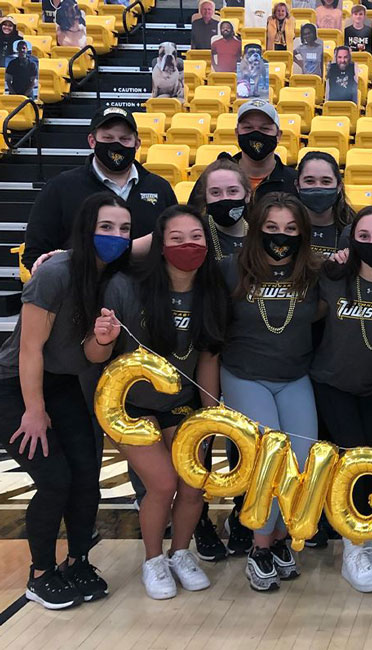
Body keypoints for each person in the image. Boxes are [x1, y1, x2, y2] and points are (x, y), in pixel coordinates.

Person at [87, 205, 228, 600]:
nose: (188, 245)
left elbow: (207, 360)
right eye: (177, 238)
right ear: (160, 246)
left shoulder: (211, 291)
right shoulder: (126, 288)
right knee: (163, 484)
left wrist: (210, 414)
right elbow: (96, 357)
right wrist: (101, 338)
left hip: (180, 403)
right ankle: (153, 560)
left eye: (196, 237)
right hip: (127, 405)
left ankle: (180, 553)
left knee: (193, 484)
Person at [0, 193, 131, 609]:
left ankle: (77, 561)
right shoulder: (55, 272)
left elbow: (92, 355)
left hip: (62, 383)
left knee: (86, 475)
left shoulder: (110, 277)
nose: (116, 236)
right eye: (106, 227)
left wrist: (104, 339)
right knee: (55, 479)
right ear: (86, 229)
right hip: (12, 386)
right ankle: (39, 575)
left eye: (124, 229)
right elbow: (29, 350)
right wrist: (33, 411)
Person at [221, 192, 323, 592]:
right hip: (245, 375)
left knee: (300, 462)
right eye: (272, 228)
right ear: (255, 229)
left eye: (291, 229)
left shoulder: (313, 271)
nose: (281, 236)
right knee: (270, 460)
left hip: (295, 376)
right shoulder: (229, 269)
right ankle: (259, 548)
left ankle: (280, 541)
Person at [312, 205, 372, 592]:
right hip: (332, 383)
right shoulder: (334, 276)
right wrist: (331, 258)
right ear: (350, 241)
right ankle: (353, 548)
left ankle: (371, 534)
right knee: (352, 458)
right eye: (363, 237)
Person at [25, 106, 176, 269]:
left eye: (124, 139)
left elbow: (173, 245)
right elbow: (35, 254)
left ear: (137, 143)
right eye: (108, 138)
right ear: (92, 141)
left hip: (146, 291)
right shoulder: (60, 188)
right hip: (82, 290)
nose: (116, 145)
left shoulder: (160, 188)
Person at [226, 100, 298, 201]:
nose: (256, 134)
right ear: (237, 133)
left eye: (265, 128)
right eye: (248, 127)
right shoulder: (215, 179)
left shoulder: (295, 182)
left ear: (278, 135)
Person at [190, 157, 251, 265]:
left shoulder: (259, 234)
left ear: (247, 195)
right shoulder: (193, 233)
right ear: (205, 197)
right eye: (215, 192)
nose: (224, 198)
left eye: (232, 191)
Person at [296, 151, 351, 259]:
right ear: (297, 186)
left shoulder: (354, 230)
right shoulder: (284, 227)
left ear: (339, 187)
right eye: (309, 181)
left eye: (326, 182)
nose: (318, 187)